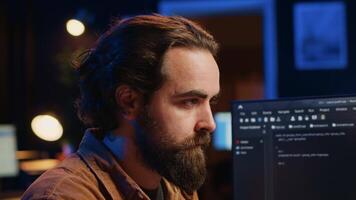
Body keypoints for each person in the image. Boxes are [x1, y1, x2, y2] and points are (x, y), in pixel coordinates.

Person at [22, 14, 220, 200]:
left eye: (210, 101)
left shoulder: (177, 188)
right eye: (190, 101)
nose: (209, 124)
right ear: (129, 102)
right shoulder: (63, 195)